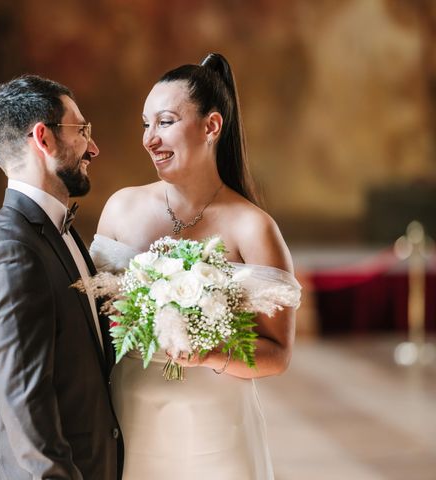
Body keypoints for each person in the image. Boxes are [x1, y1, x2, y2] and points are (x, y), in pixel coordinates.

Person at [91, 53, 300, 479]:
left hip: (220, 432)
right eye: (145, 124)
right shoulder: (121, 208)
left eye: (165, 122)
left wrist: (208, 352)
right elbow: (95, 326)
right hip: (133, 419)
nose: (150, 138)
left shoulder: (253, 227)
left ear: (211, 126)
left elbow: (277, 355)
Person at [0, 75, 122, 480]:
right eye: (82, 130)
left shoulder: (60, 231)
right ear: (44, 138)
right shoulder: (11, 252)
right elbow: (27, 414)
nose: (93, 147)